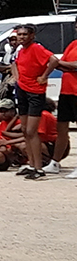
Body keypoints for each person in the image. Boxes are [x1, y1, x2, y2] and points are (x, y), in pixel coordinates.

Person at [15, 22, 56, 180]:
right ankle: (31, 164)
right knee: (25, 130)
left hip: (35, 92)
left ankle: (39, 168)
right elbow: (16, 65)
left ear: (32, 36)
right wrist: (17, 78)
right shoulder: (21, 50)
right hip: (22, 89)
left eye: (25, 34)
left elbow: (53, 60)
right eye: (20, 34)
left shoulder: (37, 48)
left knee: (32, 131)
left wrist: (44, 76)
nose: (22, 37)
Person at [41, 25, 77, 178]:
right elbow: (64, 64)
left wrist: (60, 64)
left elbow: (71, 65)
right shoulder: (73, 43)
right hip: (66, 91)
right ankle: (55, 162)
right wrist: (64, 65)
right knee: (62, 128)